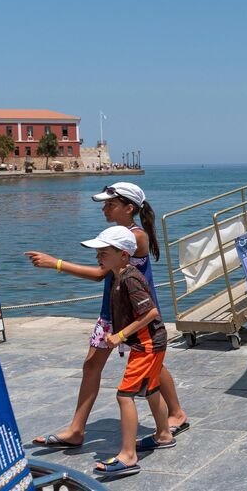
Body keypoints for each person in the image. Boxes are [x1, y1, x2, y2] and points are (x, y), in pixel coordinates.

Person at [26, 182, 188, 447]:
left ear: (129, 208)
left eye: (110, 204)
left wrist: (55, 263)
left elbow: (101, 273)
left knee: (152, 366)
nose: (104, 208)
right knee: (93, 365)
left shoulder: (135, 237)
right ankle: (77, 429)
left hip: (136, 316)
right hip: (110, 312)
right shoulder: (116, 234)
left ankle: (176, 413)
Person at [81, 226, 173, 477]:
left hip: (147, 344)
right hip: (149, 342)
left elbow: (151, 312)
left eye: (103, 251)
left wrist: (120, 335)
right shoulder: (120, 275)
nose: (98, 256)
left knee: (125, 396)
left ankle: (128, 455)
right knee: (151, 388)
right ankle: (164, 434)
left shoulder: (130, 278)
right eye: (97, 252)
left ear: (123, 254)